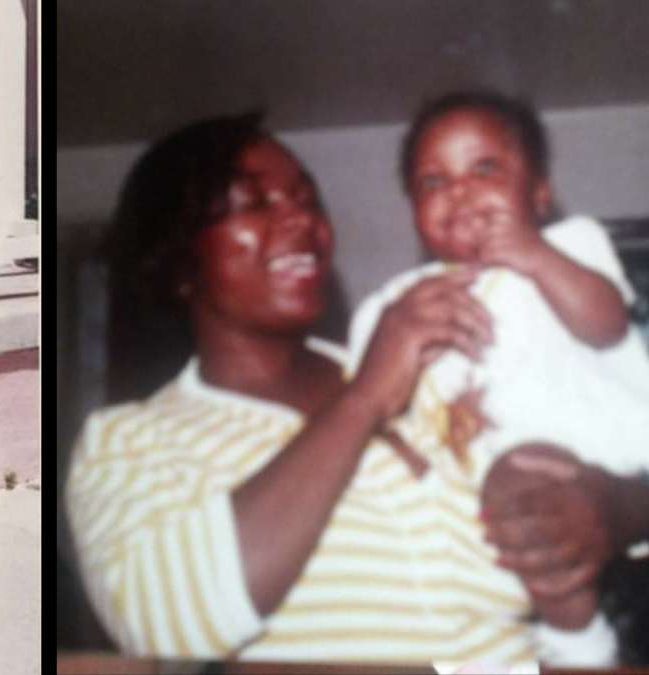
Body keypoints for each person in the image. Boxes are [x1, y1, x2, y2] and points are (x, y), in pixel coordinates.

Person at [64, 111, 649, 667]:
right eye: (256, 203)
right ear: (177, 261)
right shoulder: (128, 439)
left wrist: (612, 508)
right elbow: (166, 622)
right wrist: (365, 398)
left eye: (306, 198)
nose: (302, 221)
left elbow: (583, 456)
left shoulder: (438, 376)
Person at [345, 90, 649, 664]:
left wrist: (535, 255)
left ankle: (579, 645)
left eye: (484, 168)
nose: (459, 190)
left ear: (538, 193)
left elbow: (606, 325)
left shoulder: (569, 246)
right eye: (433, 182)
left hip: (585, 451)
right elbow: (370, 405)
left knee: (525, 479)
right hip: (473, 500)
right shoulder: (395, 303)